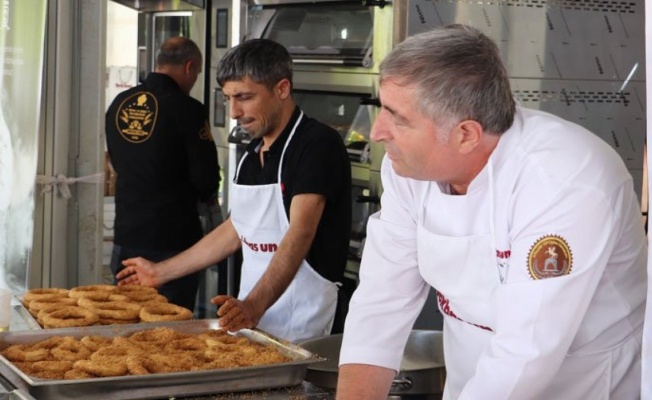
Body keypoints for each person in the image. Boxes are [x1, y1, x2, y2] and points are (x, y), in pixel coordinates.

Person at [336, 24, 647, 400]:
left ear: (466, 134)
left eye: (398, 118)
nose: (377, 132)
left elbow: (526, 351)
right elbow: (381, 301)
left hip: (581, 380)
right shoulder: (410, 168)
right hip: (472, 374)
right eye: (381, 108)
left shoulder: (564, 179)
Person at [116, 38, 352, 343]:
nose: (234, 112)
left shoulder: (316, 145)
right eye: (228, 98)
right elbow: (235, 230)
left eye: (244, 97)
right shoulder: (252, 154)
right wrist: (160, 272)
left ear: (282, 89)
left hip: (304, 322)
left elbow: (299, 234)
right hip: (251, 322)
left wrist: (254, 305)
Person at [105, 37, 220, 312]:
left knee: (125, 319)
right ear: (190, 67)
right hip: (173, 243)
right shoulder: (188, 109)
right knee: (170, 328)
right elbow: (205, 177)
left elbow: (118, 161)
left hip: (127, 236)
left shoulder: (120, 103)